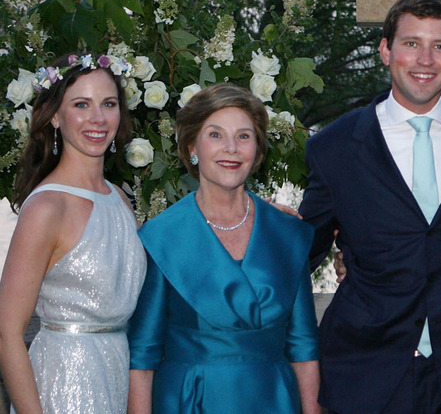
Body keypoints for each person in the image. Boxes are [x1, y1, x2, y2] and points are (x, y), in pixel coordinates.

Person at [299, 0, 441, 414]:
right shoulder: (334, 146)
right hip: (364, 367)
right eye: (411, 43)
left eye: (439, 46)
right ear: (385, 50)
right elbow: (303, 251)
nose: (425, 59)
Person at [126, 83, 321, 414]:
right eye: (215, 135)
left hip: (275, 400)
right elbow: (142, 356)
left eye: (244, 136)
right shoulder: (161, 238)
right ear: (192, 146)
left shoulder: (288, 235)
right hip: (189, 402)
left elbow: (303, 347)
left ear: (257, 152)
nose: (231, 148)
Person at [0, 53, 146, 413]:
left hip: (115, 377)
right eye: (81, 104)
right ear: (54, 116)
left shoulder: (120, 200)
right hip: (62, 385)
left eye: (108, 104)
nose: (98, 118)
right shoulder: (47, 208)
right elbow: (7, 334)